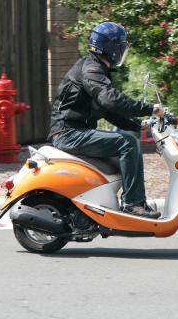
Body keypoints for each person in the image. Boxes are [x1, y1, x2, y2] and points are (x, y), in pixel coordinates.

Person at [48, 22, 163, 219]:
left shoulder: (95, 69)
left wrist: (138, 124)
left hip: (72, 132)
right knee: (128, 144)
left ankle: (112, 206)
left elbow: (107, 110)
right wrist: (149, 108)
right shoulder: (91, 70)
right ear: (111, 49)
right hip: (68, 134)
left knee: (126, 152)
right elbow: (109, 99)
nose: (122, 52)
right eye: (121, 47)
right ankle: (133, 204)